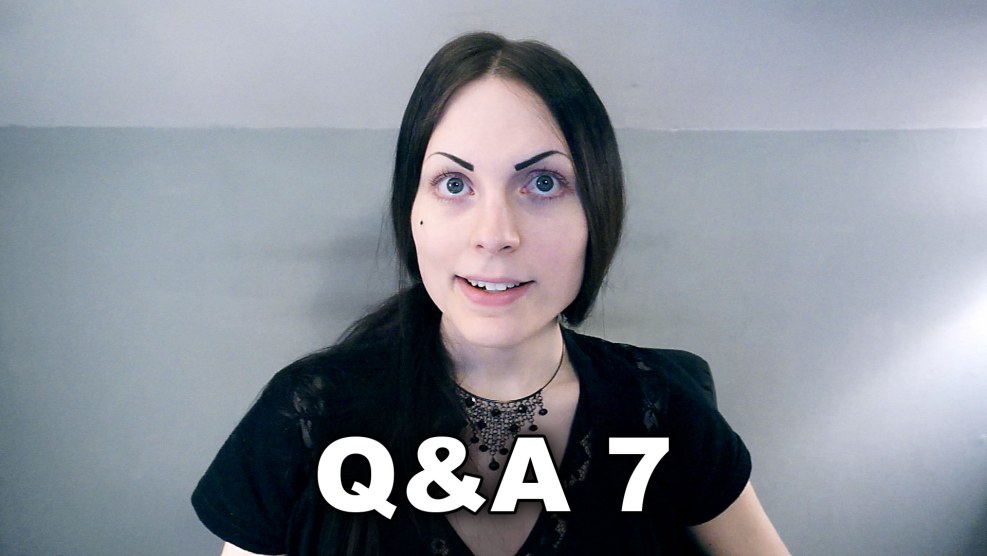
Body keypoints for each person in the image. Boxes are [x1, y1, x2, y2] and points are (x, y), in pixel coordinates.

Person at [192, 31, 790, 555]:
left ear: (596, 213)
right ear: (411, 211)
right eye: (454, 183)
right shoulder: (305, 415)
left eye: (544, 182)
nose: (495, 235)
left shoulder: (663, 412)